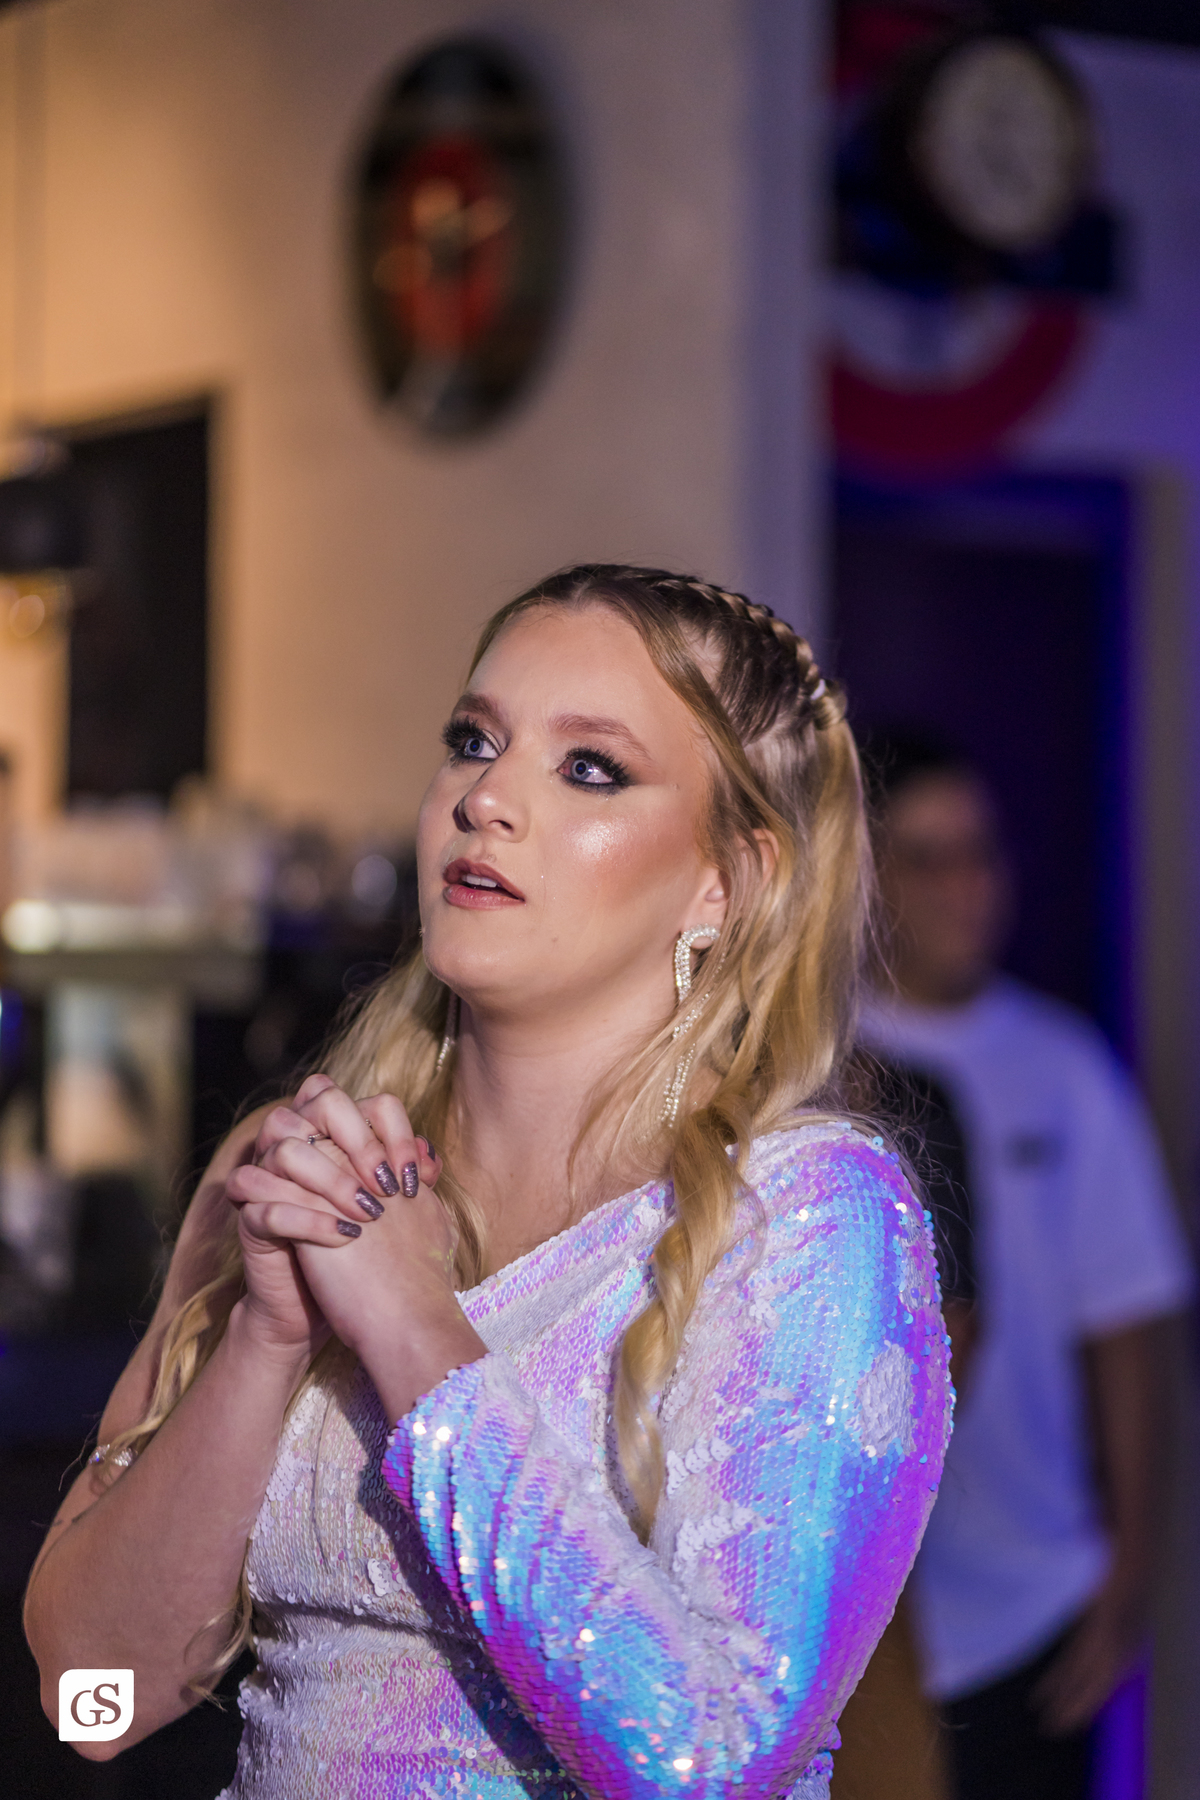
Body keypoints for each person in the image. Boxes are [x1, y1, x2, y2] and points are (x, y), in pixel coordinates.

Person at [24, 568, 952, 1800]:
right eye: (474, 741)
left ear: (728, 882)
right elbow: (96, 1700)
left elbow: (710, 1760)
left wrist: (412, 1328)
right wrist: (267, 1333)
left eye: (590, 769)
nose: (488, 799)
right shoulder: (295, 1172)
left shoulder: (806, 1216)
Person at [857, 736, 1193, 1800]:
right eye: (928, 857)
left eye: (981, 853)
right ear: (864, 876)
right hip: (859, 1614)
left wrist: (1126, 1580)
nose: (967, 887)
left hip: (1033, 1607)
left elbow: (1130, 1339)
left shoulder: (1069, 1073)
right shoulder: (814, 1065)